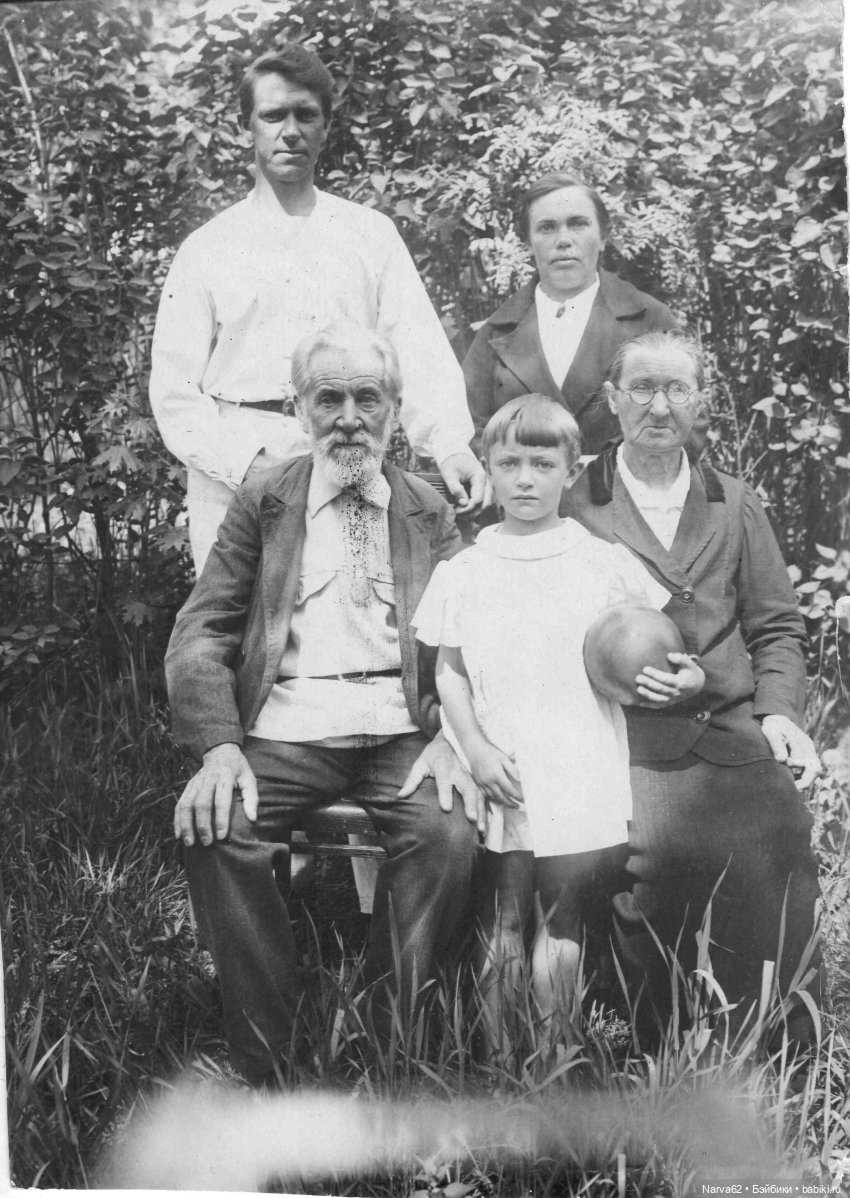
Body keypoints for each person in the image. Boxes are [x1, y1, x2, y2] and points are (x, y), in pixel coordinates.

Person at [165, 324, 480, 1085]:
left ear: (394, 410)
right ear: (299, 408)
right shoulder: (266, 498)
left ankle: (386, 1036)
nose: (348, 418)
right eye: (328, 398)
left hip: (402, 726)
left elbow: (477, 636)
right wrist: (220, 747)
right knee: (222, 827)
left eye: (367, 398)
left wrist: (455, 737)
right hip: (290, 726)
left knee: (448, 832)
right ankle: (268, 1052)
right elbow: (202, 628)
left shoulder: (427, 509)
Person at [412, 394, 704, 1059]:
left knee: (563, 914)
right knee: (505, 915)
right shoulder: (466, 570)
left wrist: (682, 678)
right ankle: (501, 1062)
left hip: (578, 763)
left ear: (572, 471)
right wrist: (476, 750)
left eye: (543, 465)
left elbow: (652, 642)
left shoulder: (601, 562)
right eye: (509, 463)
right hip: (504, 767)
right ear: (487, 468)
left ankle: (552, 1057)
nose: (525, 480)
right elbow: (448, 672)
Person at [561, 328, 822, 1039]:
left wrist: (780, 715)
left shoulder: (732, 502)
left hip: (731, 728)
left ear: (700, 401)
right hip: (626, 737)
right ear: (612, 399)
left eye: (676, 389)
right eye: (642, 388)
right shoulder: (576, 503)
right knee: (658, 857)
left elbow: (776, 627)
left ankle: (779, 1051)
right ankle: (653, 1055)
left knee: (781, 839)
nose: (659, 406)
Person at [150, 43, 485, 573]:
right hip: (236, 475)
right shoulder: (207, 247)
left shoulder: (369, 235)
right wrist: (245, 464)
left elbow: (418, 350)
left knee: (345, 613)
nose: (290, 131)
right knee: (237, 620)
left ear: (326, 127)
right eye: (273, 115)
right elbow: (174, 392)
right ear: (246, 126)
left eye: (306, 115)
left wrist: (450, 446)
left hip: (348, 455)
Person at [462, 172, 682, 456]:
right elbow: (469, 431)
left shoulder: (651, 320)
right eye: (547, 228)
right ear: (527, 244)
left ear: (603, 237)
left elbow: (686, 422)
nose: (564, 240)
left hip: (624, 483)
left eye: (578, 224)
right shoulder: (497, 332)